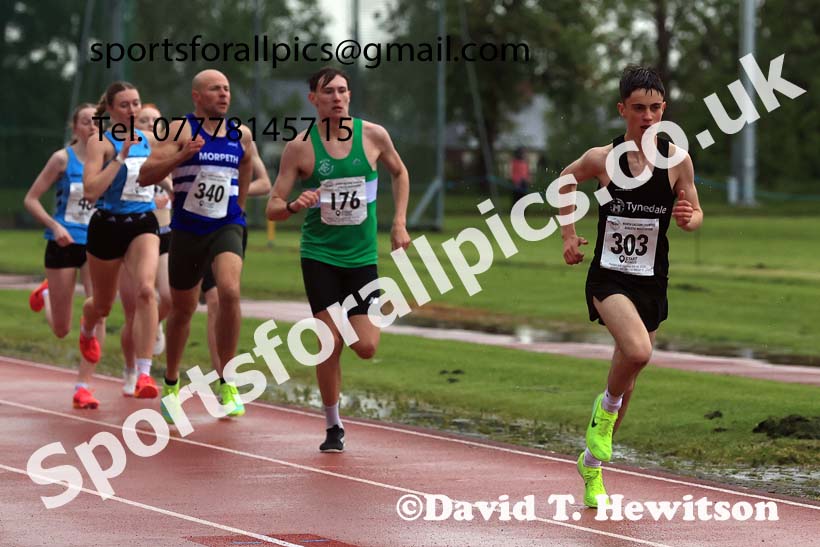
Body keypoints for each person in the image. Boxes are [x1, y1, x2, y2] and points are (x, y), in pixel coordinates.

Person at [557, 65, 703, 507]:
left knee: (630, 375)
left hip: (652, 281)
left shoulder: (678, 160)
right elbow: (565, 179)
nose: (648, 116)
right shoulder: (603, 158)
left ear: (665, 110)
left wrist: (688, 218)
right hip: (609, 276)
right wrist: (568, 232)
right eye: (639, 108)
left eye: (656, 108)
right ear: (622, 109)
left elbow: (695, 211)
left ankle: (591, 466)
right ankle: (602, 416)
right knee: (639, 352)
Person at [266, 67, 411, 452]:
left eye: (343, 90)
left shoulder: (373, 135)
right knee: (327, 341)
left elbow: (400, 172)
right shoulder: (301, 148)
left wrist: (398, 222)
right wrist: (295, 204)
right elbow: (273, 206)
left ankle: (353, 320)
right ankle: (333, 426)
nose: (337, 97)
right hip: (320, 255)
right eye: (328, 91)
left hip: (361, 257)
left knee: (365, 347)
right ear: (313, 98)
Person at [138, 69, 253, 423]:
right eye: (215, 89)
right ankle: (171, 383)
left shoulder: (241, 135)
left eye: (227, 88)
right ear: (197, 96)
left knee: (230, 292)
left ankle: (227, 381)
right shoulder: (178, 130)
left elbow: (246, 166)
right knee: (183, 309)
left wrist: (241, 207)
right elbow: (146, 174)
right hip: (187, 229)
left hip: (227, 223)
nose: (224, 94)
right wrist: (182, 156)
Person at [80, 81, 162, 402]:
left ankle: (143, 372)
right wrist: (120, 156)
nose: (132, 110)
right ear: (111, 109)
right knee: (102, 305)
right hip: (106, 225)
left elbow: (165, 166)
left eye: (136, 103)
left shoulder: (150, 140)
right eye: (125, 105)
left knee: (145, 290)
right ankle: (87, 328)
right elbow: (90, 191)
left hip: (142, 222)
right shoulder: (99, 142)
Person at [23, 103, 106, 409]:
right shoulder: (62, 159)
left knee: (99, 310)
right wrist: (54, 225)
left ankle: (84, 386)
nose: (92, 127)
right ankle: (46, 293)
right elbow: (31, 199)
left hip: (96, 244)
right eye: (86, 122)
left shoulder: (108, 157)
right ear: (75, 128)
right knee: (62, 329)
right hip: (63, 242)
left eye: (98, 122)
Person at [201, 141, 270, 381]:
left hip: (231, 225)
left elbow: (264, 183)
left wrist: (236, 189)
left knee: (219, 299)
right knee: (183, 302)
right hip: (194, 226)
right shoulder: (190, 137)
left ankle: (223, 377)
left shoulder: (243, 141)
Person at [118, 103, 174, 396]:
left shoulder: (168, 153)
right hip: (131, 235)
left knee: (166, 297)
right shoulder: (127, 152)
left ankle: (155, 326)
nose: (150, 124)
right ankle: (131, 370)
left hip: (163, 233)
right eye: (143, 120)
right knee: (134, 308)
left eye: (155, 121)